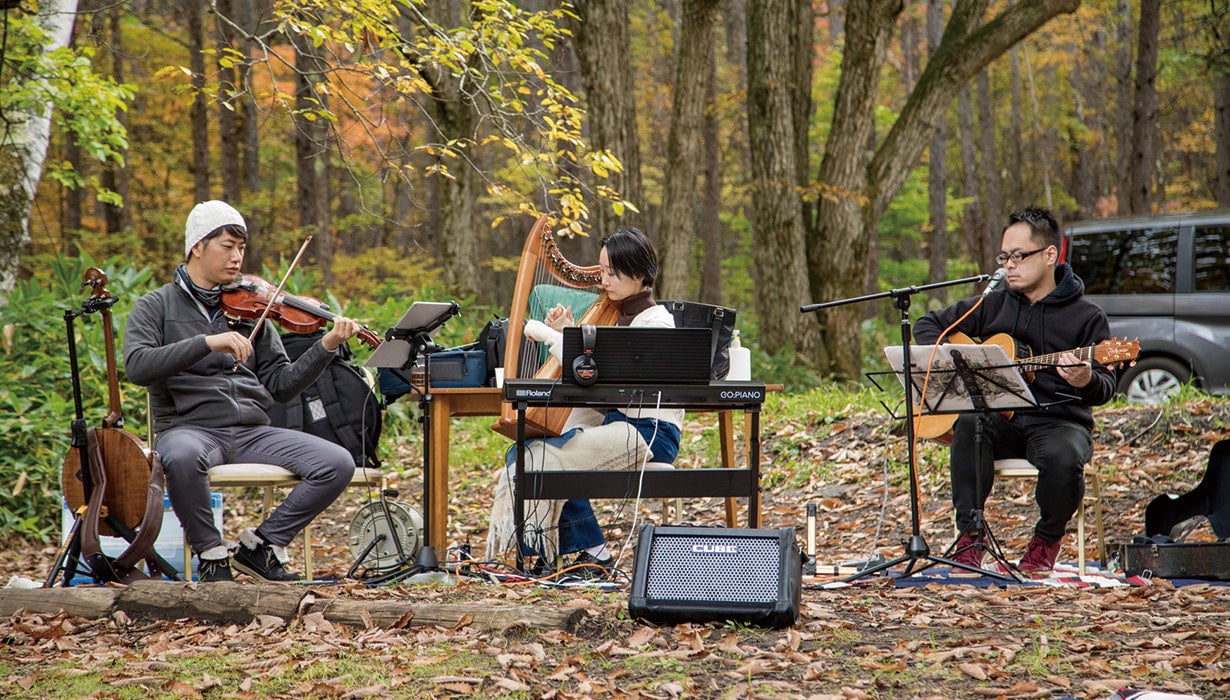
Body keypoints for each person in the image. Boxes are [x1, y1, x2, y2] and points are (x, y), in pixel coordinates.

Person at [123, 200, 361, 583]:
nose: (237, 258)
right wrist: (208, 342)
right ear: (197, 246)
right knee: (182, 455)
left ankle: (262, 546)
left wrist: (326, 346)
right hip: (190, 429)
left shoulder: (253, 309)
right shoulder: (155, 306)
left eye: (241, 248)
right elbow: (138, 366)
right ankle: (211, 553)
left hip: (251, 430)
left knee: (337, 463)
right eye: (227, 246)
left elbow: (282, 386)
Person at [913, 207, 1117, 576]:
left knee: (1064, 455)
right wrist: (945, 361)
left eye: (1019, 256)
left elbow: (1105, 386)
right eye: (1004, 257)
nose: (1009, 265)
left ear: (1050, 255)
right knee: (971, 422)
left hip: (1059, 423)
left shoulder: (1087, 317)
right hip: (1003, 419)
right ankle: (970, 540)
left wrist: (1084, 379)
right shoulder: (993, 303)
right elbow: (929, 324)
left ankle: (1045, 542)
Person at [508, 226, 684, 578]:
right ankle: (546, 550)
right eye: (601, 271)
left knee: (549, 457)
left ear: (638, 274)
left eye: (610, 273)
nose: (602, 280)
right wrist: (566, 333)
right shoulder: (617, 318)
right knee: (522, 452)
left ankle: (594, 554)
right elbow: (592, 368)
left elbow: (598, 376)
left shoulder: (656, 324)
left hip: (651, 434)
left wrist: (547, 335)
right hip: (616, 424)